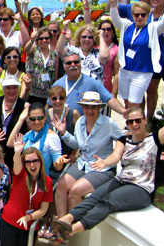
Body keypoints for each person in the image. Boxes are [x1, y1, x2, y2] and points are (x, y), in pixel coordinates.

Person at [52, 79, 164, 239]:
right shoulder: (125, 140)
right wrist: (105, 162)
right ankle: (66, 219)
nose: (134, 124)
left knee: (108, 201)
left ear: (145, 121)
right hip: (121, 180)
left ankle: (72, 229)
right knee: (96, 196)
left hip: (140, 187)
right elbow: (115, 156)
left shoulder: (153, 140)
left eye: (138, 121)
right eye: (130, 122)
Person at [52, 91, 124, 222]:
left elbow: (124, 141)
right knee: (61, 184)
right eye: (86, 106)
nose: (89, 110)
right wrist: (64, 133)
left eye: (93, 107)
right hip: (83, 163)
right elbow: (77, 144)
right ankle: (62, 225)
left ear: (99, 108)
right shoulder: (80, 122)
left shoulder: (109, 123)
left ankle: (73, 228)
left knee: (75, 190)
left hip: (102, 169)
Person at [106, 0, 164, 110]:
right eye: (136, 15)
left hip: (142, 72)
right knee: (126, 101)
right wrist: (113, 3)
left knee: (134, 103)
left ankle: (139, 124)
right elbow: (115, 19)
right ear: (133, 15)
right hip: (125, 70)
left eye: (143, 15)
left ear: (147, 15)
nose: (139, 17)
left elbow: (163, 23)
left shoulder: (152, 28)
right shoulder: (126, 25)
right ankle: (130, 124)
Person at [52, 51, 125, 116]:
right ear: (64, 66)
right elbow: (49, 106)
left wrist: (124, 112)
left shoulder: (92, 83)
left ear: (80, 64)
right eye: (69, 63)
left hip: (84, 126)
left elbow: (109, 99)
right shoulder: (57, 84)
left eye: (76, 62)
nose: (73, 65)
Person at [7, 102, 63, 180]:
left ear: (45, 117)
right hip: (26, 179)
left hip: (42, 180)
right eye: (33, 119)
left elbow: (58, 166)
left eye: (40, 118)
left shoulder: (52, 136)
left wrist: (59, 163)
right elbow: (10, 143)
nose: (37, 122)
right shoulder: (28, 135)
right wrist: (20, 120)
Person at [0, 77, 27, 170]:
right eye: (8, 87)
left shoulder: (25, 106)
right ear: (3, 89)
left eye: (14, 87)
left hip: (15, 153)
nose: (11, 90)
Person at [25, 27, 59, 105]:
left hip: (46, 94)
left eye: (46, 38)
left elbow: (55, 76)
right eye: (41, 38)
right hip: (32, 93)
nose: (44, 40)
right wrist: (32, 39)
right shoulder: (33, 49)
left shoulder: (54, 55)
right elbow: (26, 49)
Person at [98, 19, 119, 97]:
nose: (106, 32)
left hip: (107, 88)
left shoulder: (116, 49)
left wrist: (114, 92)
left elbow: (116, 74)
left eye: (108, 29)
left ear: (112, 31)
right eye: (103, 30)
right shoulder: (94, 46)